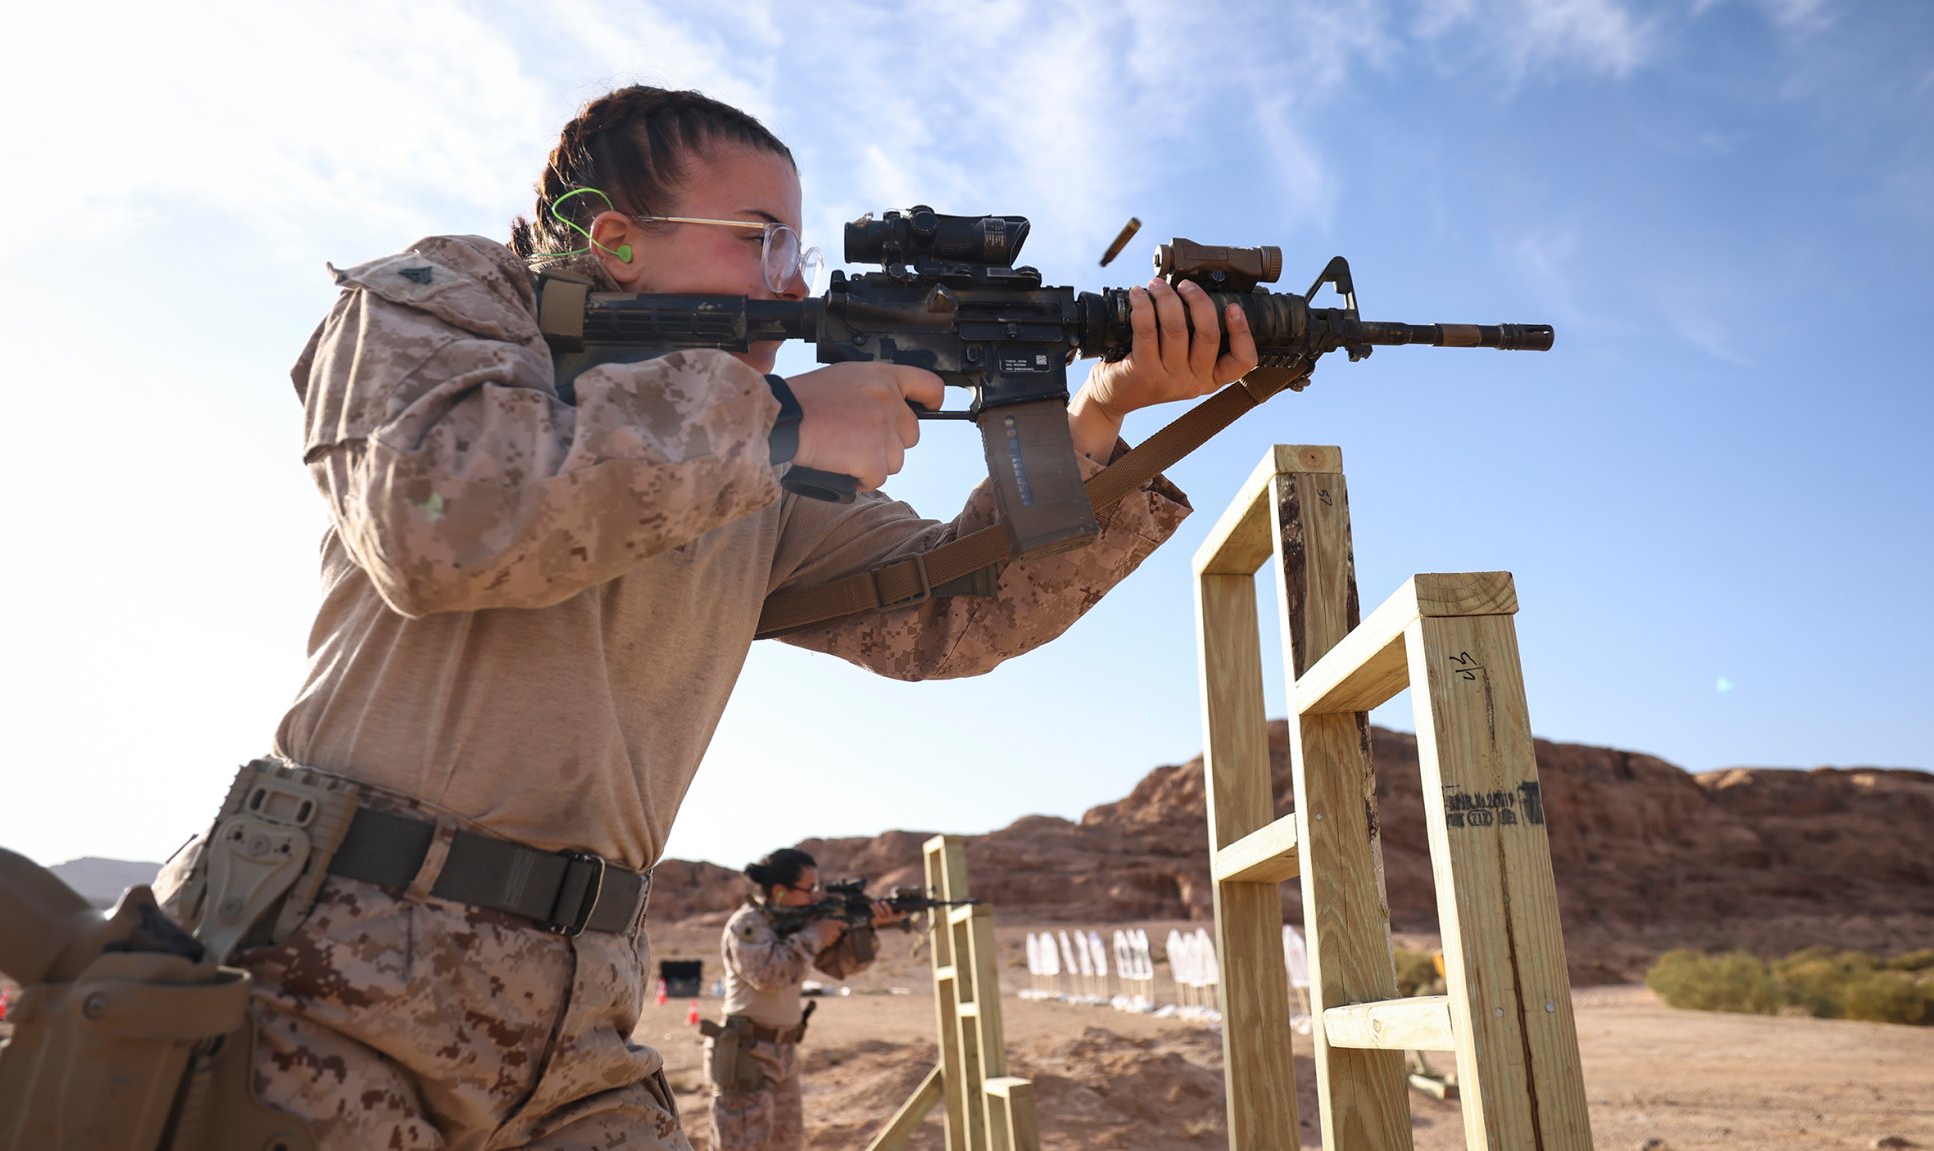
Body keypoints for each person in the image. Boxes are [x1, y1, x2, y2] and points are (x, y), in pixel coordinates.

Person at [154, 83, 1256, 1150]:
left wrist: (1103, 416)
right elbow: (435, 515)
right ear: (618, 243)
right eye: (757, 237)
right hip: (319, 977)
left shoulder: (752, 483)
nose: (790, 282)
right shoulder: (445, 301)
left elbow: (955, 611)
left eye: (798, 250)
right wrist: (771, 421)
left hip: (577, 1012)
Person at [707, 848, 899, 1151]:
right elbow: (769, 975)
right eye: (809, 889)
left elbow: (843, 966)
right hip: (746, 1053)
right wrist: (815, 936)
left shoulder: (800, 926)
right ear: (780, 892)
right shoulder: (748, 925)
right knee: (742, 1144)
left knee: (787, 1144)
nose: (815, 897)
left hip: (783, 1051)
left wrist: (866, 926)